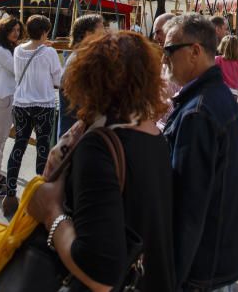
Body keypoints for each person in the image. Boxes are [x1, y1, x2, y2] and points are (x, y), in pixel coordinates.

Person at [28, 31, 176, 292]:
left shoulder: (98, 146)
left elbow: (99, 274)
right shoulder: (155, 136)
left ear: (87, 78)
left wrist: (51, 212)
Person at [163, 13, 238, 291]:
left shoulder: (197, 113)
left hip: (200, 266)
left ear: (194, 51)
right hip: (219, 255)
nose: (164, 59)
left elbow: (188, 205)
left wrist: (172, 277)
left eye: (170, 50)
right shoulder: (217, 97)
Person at [2, 14, 62, 218]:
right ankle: (38, 197)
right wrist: (49, 50)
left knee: (19, 145)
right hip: (43, 105)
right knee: (43, 148)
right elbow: (58, 79)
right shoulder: (50, 53)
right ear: (45, 32)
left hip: (21, 104)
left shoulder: (18, 50)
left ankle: (10, 194)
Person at [0, 15, 24, 198]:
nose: (16, 33)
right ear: (4, 30)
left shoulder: (7, 49)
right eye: (12, 29)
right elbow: (18, 69)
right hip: (2, 98)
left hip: (5, 98)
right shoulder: (0, 50)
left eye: (18, 30)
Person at [58, 13, 105, 137]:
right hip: (76, 136)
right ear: (88, 33)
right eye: (101, 28)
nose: (105, 32)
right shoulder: (82, 58)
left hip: (75, 133)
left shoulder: (82, 55)